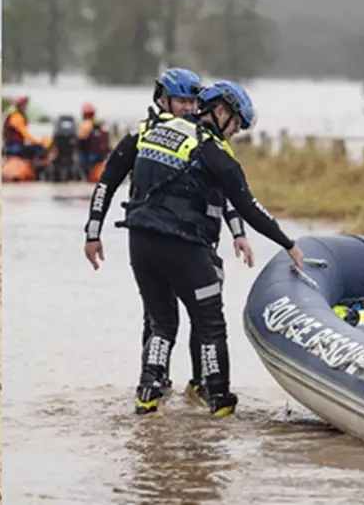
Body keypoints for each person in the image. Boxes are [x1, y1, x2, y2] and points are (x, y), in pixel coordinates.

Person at [113, 80, 304, 416]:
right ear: (220, 111)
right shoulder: (214, 151)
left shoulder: (155, 131)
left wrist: (94, 230)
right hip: (184, 247)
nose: (235, 134)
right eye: (236, 126)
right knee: (210, 324)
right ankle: (218, 402)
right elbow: (247, 205)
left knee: (160, 323)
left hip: (140, 243)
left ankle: (147, 394)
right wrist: (287, 242)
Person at [82, 70, 255, 409]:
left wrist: (237, 232)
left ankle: (196, 382)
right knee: (161, 317)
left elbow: (227, 192)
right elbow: (106, 183)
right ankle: (157, 382)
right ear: (162, 100)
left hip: (197, 242)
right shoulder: (144, 136)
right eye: (181, 102)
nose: (188, 108)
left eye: (193, 102)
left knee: (198, 315)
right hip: (158, 241)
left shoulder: (204, 141)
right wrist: (93, 232)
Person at [2, 95, 50, 159]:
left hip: (14, 146)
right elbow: (26, 135)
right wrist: (40, 142)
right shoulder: (16, 117)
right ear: (19, 106)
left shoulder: (16, 115)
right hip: (14, 147)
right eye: (24, 105)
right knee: (39, 149)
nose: (26, 107)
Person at [76, 103, 112, 175]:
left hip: (88, 157)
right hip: (101, 157)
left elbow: (78, 140)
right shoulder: (101, 125)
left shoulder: (84, 125)